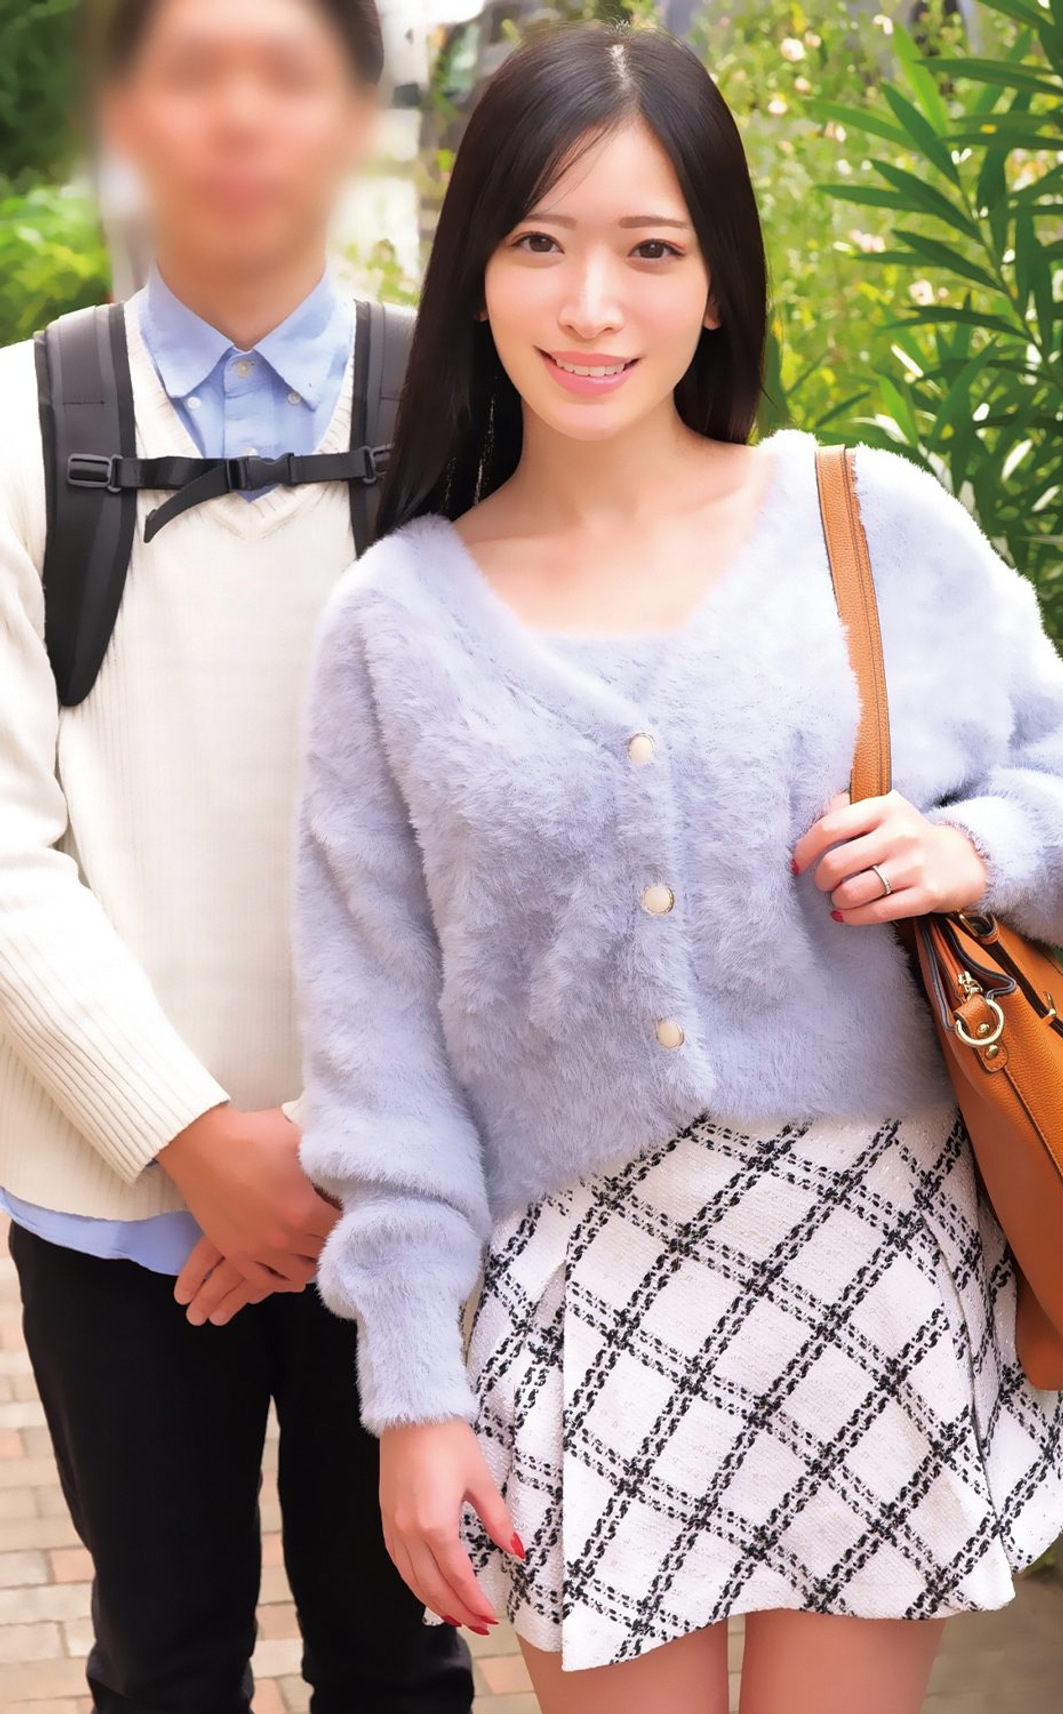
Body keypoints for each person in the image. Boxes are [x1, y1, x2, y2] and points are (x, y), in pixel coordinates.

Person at [282, 20, 1063, 1714]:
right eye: (540, 242)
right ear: (474, 274)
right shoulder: (392, 623)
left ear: (719, 286)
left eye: (650, 249)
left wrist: (976, 844)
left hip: (873, 1262)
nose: (589, 304)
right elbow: (377, 1049)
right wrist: (414, 1391)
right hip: (576, 1296)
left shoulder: (869, 522)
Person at [0, 2, 474, 1710]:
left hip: (406, 1193)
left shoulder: (467, 413)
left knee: (404, 1657)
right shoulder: (16, 426)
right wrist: (197, 1138)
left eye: (290, 74)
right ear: (126, 117)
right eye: (190, 72)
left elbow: (513, 824)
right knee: (163, 1658)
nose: (241, 116)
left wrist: (343, 1147)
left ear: (355, 115)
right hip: (116, 1200)